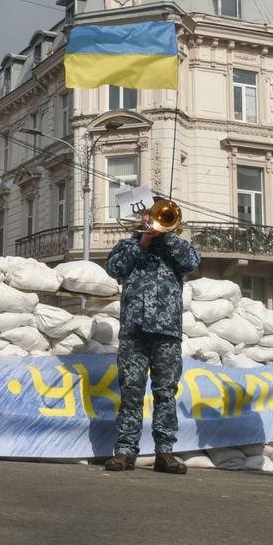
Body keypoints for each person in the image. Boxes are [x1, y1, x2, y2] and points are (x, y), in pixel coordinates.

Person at [103, 200, 201, 474]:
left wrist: (167, 237)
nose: (153, 219)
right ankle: (124, 451)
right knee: (131, 392)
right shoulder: (128, 245)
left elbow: (193, 262)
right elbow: (114, 268)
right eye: (149, 214)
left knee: (165, 393)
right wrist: (142, 243)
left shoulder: (175, 246)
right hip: (134, 331)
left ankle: (165, 452)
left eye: (157, 215)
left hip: (167, 332)